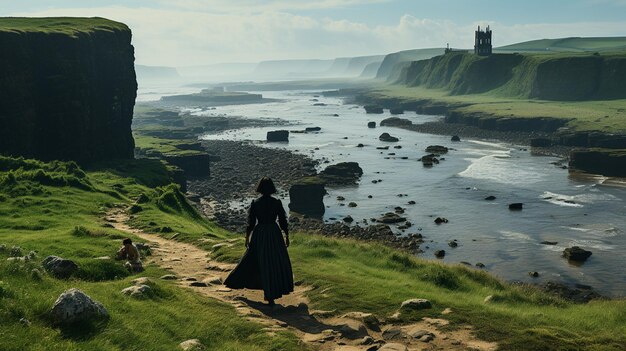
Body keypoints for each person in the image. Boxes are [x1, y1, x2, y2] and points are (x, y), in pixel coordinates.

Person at [224, 177, 294, 306]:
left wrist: (247, 237)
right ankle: (272, 293)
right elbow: (282, 221)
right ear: (272, 188)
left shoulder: (255, 203)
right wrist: (287, 235)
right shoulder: (277, 202)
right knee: (274, 263)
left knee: (255, 260)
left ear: (260, 188)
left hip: (260, 233)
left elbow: (251, 222)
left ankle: (236, 281)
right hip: (274, 233)